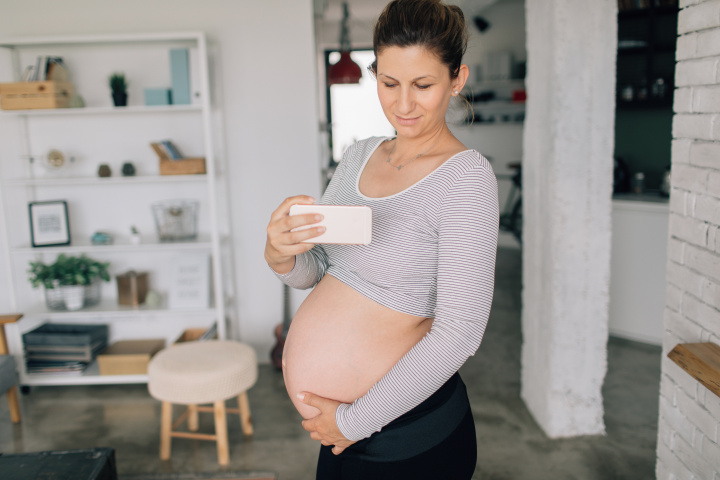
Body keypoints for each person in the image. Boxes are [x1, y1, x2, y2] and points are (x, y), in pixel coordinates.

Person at [264, 0, 498, 478]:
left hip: (401, 433)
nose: (404, 103)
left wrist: (354, 421)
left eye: (424, 85)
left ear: (457, 80)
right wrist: (280, 253)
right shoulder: (359, 156)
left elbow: (460, 332)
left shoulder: (466, 179)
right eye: (389, 83)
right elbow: (321, 272)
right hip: (341, 432)